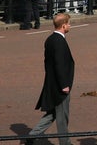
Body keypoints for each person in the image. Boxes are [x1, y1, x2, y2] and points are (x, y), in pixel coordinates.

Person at [27, 13, 75, 145]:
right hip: (60, 86)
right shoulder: (59, 41)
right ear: (64, 25)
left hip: (53, 83)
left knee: (52, 114)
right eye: (69, 23)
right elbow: (59, 64)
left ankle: (33, 135)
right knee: (62, 117)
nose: (70, 26)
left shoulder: (50, 39)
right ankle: (65, 143)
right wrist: (64, 84)